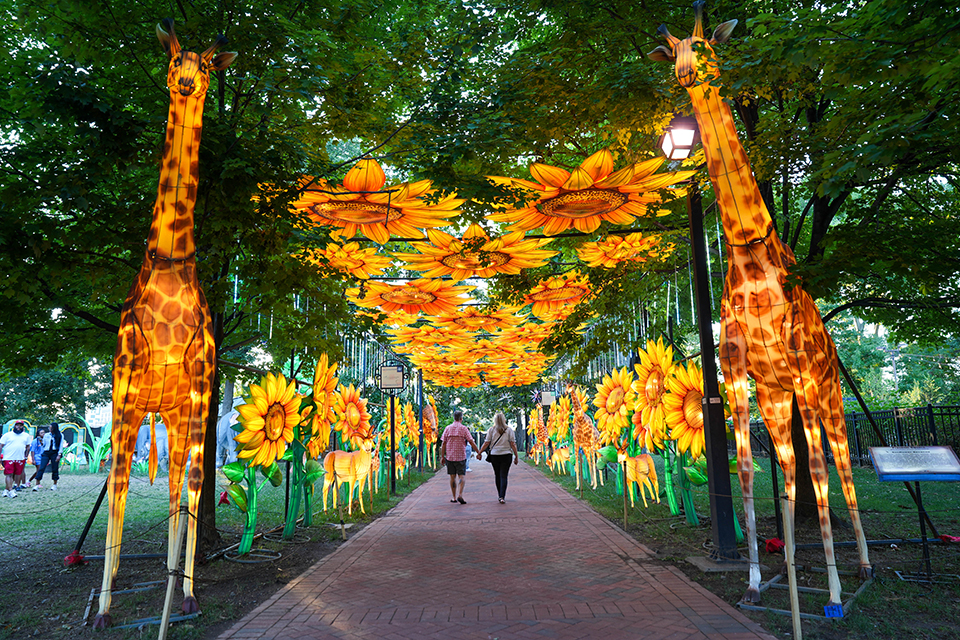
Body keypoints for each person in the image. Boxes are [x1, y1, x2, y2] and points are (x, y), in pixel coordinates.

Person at [477, 412, 519, 503]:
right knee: (504, 475)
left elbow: (486, 443)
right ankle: (502, 496)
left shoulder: (491, 430)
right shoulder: (509, 430)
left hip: (495, 455)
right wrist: (516, 456)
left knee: (497, 475)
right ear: (504, 420)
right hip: (506, 454)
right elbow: (513, 444)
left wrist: (479, 452)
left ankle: (500, 495)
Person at [440, 410, 480, 504]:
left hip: (450, 457)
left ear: (454, 418)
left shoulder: (448, 428)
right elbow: (471, 441)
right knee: (461, 476)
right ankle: (460, 495)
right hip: (461, 457)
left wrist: (442, 456)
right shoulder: (464, 428)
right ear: (461, 418)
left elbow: (444, 443)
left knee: (452, 477)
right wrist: (478, 452)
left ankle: (454, 497)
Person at [0, 421, 32, 498]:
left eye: (21, 426)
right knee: (9, 474)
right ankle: (11, 491)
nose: (19, 427)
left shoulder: (26, 436)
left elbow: (28, 446)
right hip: (8, 458)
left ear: (23, 427)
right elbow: (1, 445)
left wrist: (26, 455)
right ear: (14, 426)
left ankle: (6, 490)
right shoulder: (7, 435)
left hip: (20, 458)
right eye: (17, 425)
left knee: (17, 475)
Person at [33, 422, 65, 491]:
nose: (49, 429)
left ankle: (54, 484)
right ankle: (37, 484)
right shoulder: (47, 435)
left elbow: (61, 445)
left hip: (55, 452)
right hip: (46, 452)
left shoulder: (60, 435)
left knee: (54, 468)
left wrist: (59, 455)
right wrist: (41, 442)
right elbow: (44, 445)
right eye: (49, 428)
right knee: (41, 467)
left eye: (51, 428)